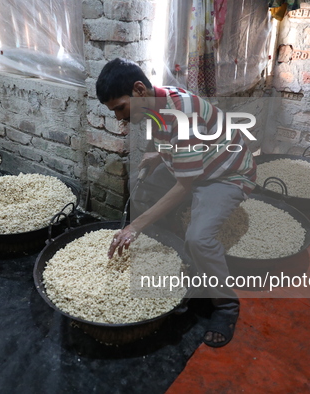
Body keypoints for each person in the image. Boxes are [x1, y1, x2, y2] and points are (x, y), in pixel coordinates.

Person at [96, 58, 257, 347]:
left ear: (139, 89)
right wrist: (160, 153)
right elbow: (183, 139)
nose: (120, 117)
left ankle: (226, 306)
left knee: (199, 238)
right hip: (196, 164)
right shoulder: (157, 101)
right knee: (142, 187)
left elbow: (185, 186)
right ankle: (176, 257)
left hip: (225, 173)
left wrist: (132, 228)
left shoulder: (182, 112)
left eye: (121, 107)